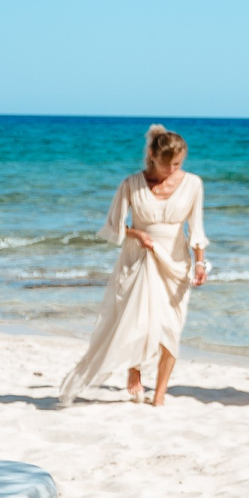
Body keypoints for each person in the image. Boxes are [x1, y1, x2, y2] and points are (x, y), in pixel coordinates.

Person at [56, 124, 209, 407]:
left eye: (178, 163)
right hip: (138, 259)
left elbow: (196, 228)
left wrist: (201, 263)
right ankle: (134, 369)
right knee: (139, 323)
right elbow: (113, 227)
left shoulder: (193, 184)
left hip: (175, 263)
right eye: (168, 164)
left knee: (172, 330)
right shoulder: (130, 184)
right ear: (152, 156)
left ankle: (160, 394)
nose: (173, 169)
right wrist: (137, 233)